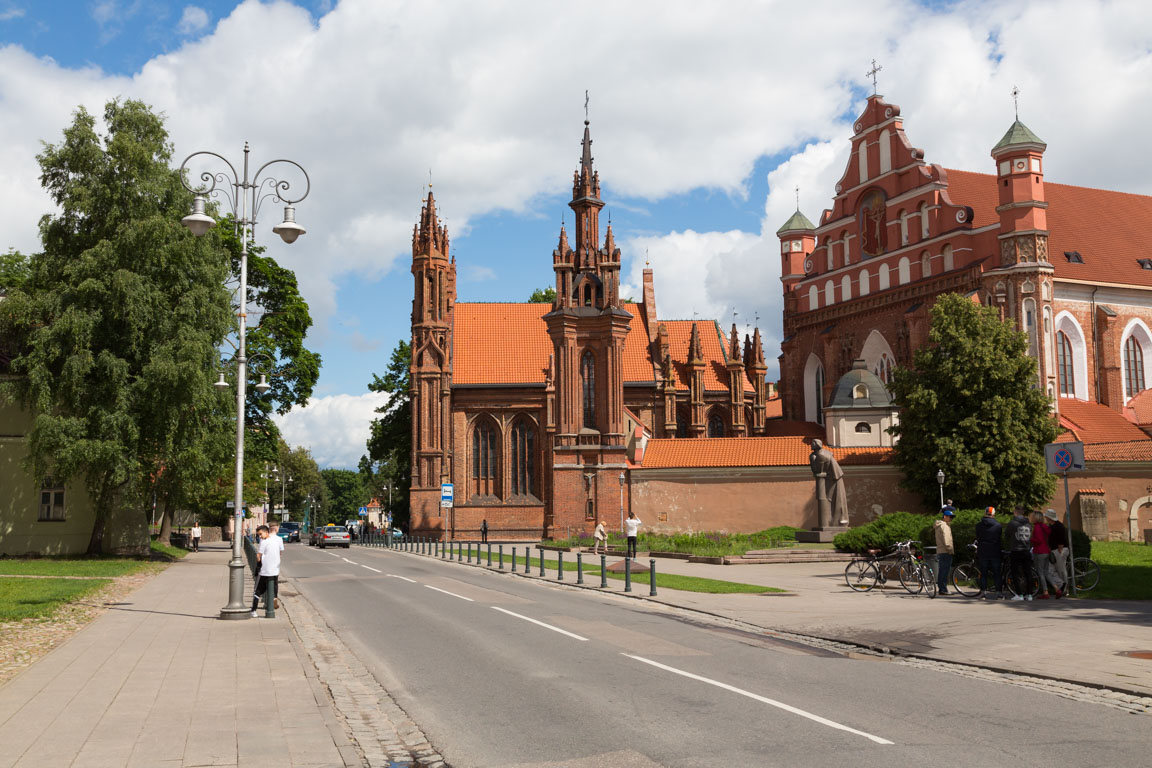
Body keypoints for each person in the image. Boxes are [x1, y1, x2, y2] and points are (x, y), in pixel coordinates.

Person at [251, 524, 284, 618]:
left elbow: (258, 556)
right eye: (259, 535)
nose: (260, 536)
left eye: (260, 534)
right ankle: (272, 602)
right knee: (272, 588)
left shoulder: (263, 542)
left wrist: (258, 563)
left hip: (265, 571)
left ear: (266, 532)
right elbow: (280, 553)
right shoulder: (277, 540)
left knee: (257, 591)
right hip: (275, 570)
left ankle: (253, 610)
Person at [974, 506, 1003, 598]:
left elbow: (978, 537)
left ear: (985, 513)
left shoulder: (978, 525)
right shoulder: (998, 525)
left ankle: (983, 592)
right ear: (993, 514)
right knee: (997, 573)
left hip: (983, 551)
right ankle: (998, 592)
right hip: (995, 551)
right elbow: (999, 537)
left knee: (983, 573)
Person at [1005, 507, 1034, 601]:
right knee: (1028, 573)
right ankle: (1030, 594)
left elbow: (1007, 535)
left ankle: (1019, 594)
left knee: (1015, 573)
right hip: (1026, 550)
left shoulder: (1012, 523)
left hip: (1016, 550)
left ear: (1015, 512)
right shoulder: (1029, 524)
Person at [1044, 509, 1068, 599]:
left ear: (1049, 517)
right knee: (1050, 570)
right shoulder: (1051, 526)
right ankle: (1062, 585)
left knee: (1061, 570)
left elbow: (1061, 539)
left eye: (1046, 516)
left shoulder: (1059, 526)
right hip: (1054, 550)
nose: (1045, 518)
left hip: (1059, 550)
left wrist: (1060, 550)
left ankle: (1065, 589)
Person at [1030, 511, 1053, 599]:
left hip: (1039, 551)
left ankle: (1045, 592)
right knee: (1046, 572)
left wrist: (1031, 539)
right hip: (1046, 551)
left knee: (1040, 572)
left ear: (1036, 518)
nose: (1031, 518)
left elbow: (1038, 540)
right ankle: (1057, 588)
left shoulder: (1037, 527)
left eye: (1032, 516)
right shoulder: (1045, 526)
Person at [934, 507, 955, 595]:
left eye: (951, 517)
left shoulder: (938, 526)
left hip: (940, 550)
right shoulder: (945, 526)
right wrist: (950, 550)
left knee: (942, 570)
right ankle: (943, 589)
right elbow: (947, 541)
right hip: (945, 551)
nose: (951, 519)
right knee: (944, 571)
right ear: (945, 516)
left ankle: (941, 588)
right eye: (950, 517)